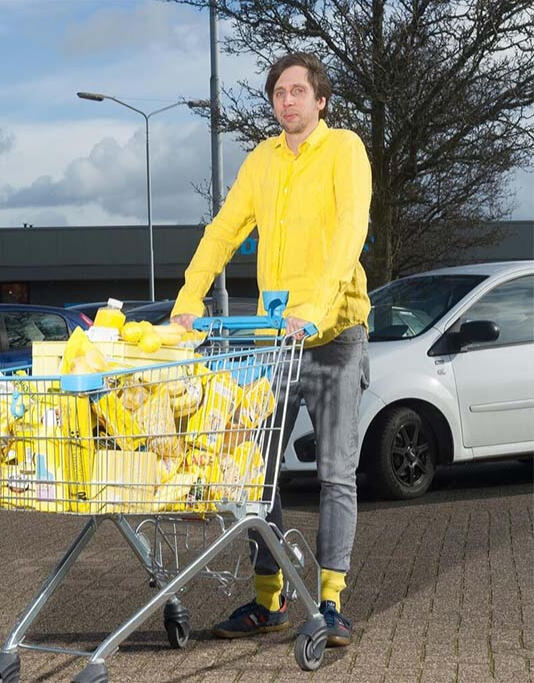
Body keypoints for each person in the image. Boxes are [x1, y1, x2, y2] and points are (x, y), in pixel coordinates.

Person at [170, 52, 371, 647]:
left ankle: (329, 601)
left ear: (321, 100)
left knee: (336, 472)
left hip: (335, 336)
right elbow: (223, 230)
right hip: (274, 341)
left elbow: (349, 232)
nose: (288, 101)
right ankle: (268, 598)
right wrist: (189, 298)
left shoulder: (345, 151)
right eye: (279, 92)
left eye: (298, 91)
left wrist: (316, 308)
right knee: (254, 472)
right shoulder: (261, 160)